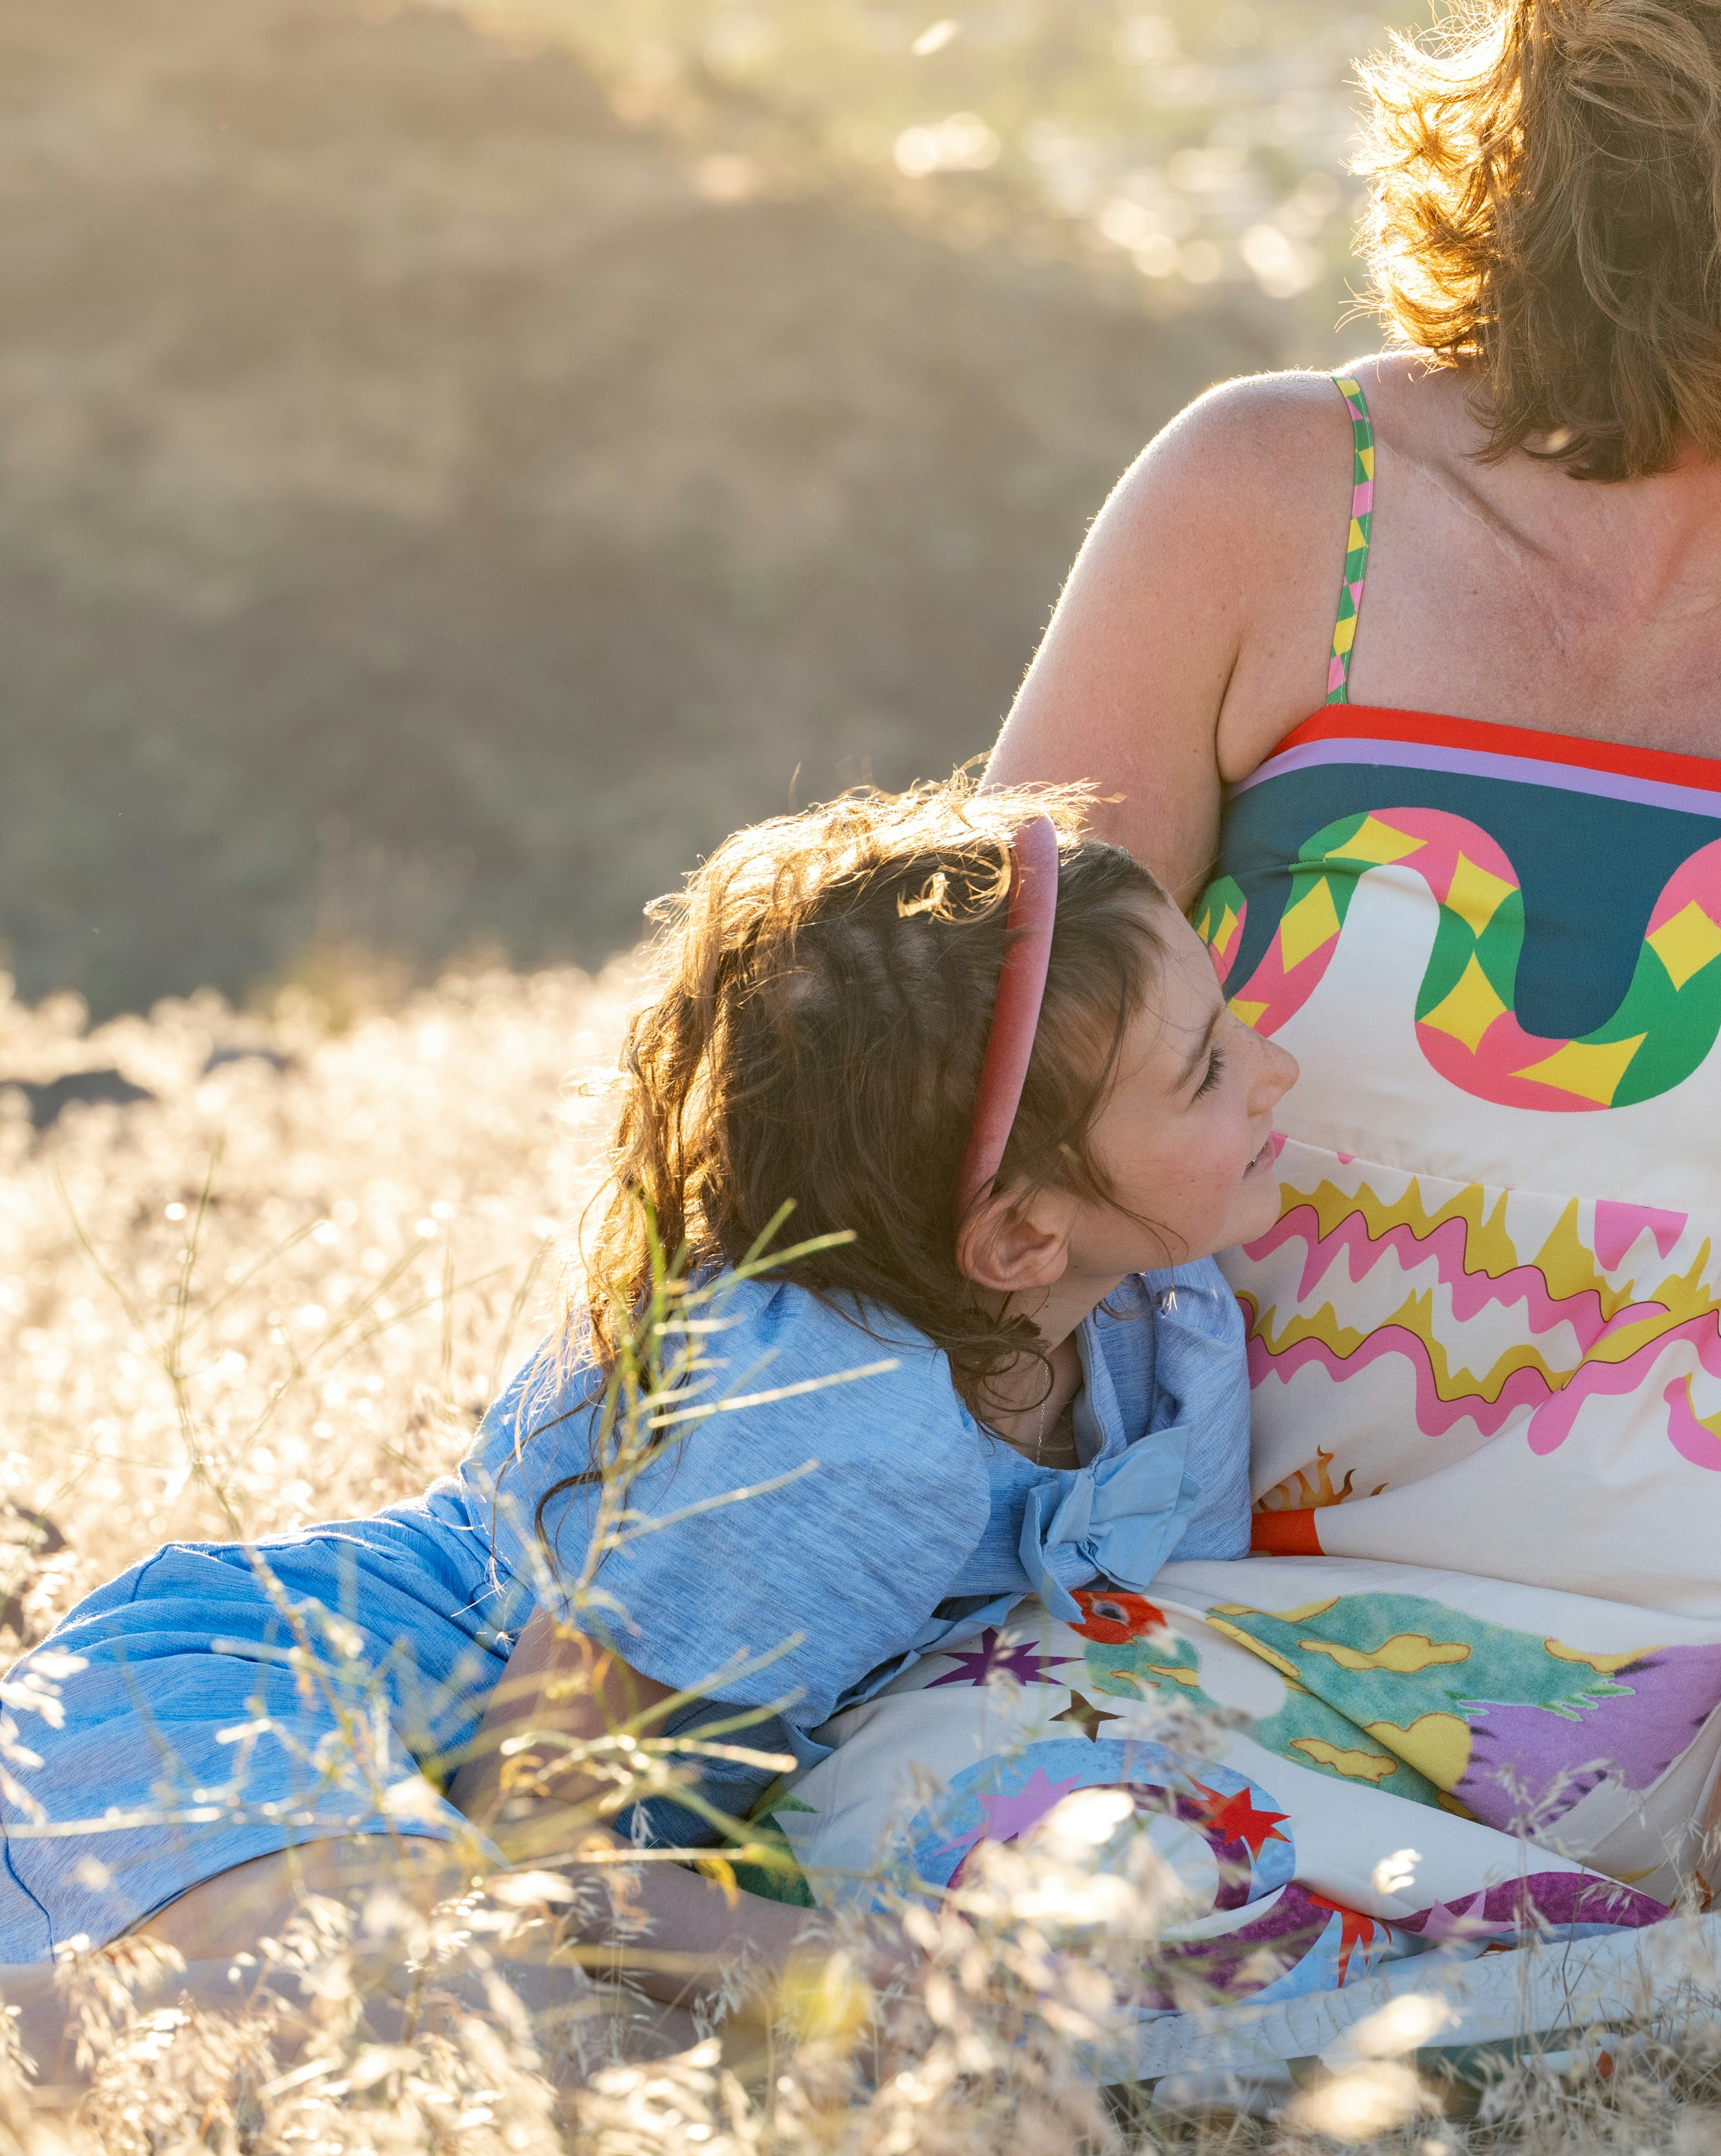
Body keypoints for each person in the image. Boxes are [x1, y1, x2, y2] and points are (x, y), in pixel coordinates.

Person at [777, 0, 1721, 1975]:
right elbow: (953, 1103)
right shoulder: (1267, 496)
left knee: (1006, 1894)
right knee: (924, 1827)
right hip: (1124, 1620)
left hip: (1618, 1701)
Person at [0, 780, 1273, 1996]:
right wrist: (879, 1973)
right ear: (1019, 1240)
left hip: (492, 1839)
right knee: (443, 2025)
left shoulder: (1165, 1326)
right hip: (280, 1706)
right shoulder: (833, 1422)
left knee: (563, 2041)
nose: (1274, 1069)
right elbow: (540, 1833)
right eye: (1207, 1069)